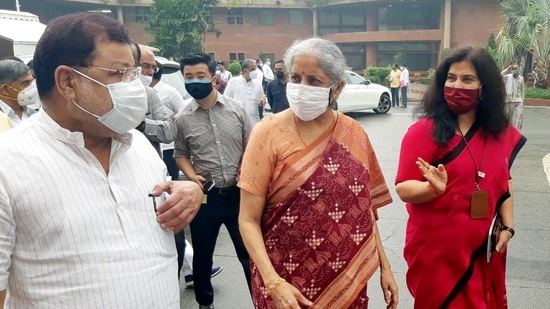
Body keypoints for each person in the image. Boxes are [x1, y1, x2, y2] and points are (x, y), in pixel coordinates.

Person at [0, 13, 204, 308]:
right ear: (67, 81)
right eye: (119, 73)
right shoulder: (8, 163)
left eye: (134, 73)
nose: (134, 86)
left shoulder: (140, 147)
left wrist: (190, 193)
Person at [238, 37, 399, 309]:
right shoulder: (267, 133)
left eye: (314, 80)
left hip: (347, 281)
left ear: (337, 89)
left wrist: (385, 266)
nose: (302, 87)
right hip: (285, 285)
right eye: (296, 77)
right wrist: (273, 282)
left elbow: (366, 212)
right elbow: (247, 220)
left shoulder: (353, 133)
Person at [395, 45, 527, 308]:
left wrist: (508, 227)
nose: (457, 86)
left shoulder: (499, 134)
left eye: (468, 79)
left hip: (482, 249)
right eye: (451, 78)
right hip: (437, 255)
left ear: (484, 87)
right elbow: (403, 188)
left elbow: (504, 181)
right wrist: (431, 189)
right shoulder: (423, 132)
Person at [175, 52, 252, 309]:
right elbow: (180, 154)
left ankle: (261, 301)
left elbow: (252, 148)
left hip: (240, 197)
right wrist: (190, 175)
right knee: (203, 257)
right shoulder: (183, 117)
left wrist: (248, 170)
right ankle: (204, 304)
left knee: (249, 255)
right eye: (188, 77)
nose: (194, 81)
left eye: (200, 76)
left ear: (214, 78)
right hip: (205, 198)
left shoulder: (237, 109)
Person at [131, 43, 178, 156]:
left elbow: (170, 132)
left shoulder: (149, 94)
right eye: (146, 66)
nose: (151, 72)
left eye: (153, 67)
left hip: (149, 165)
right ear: (131, 65)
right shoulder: (110, 93)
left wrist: (142, 125)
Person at [225, 59, 265, 125]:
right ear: (245, 71)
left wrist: (262, 100)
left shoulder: (258, 83)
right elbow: (226, 100)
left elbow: (262, 98)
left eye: (256, 69)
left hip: (254, 120)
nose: (256, 72)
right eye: (253, 69)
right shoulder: (234, 82)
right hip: (238, 120)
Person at [0, 59, 38, 124]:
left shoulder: (36, 115)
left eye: (31, 82)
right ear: (5, 90)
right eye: (25, 83)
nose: (31, 88)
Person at [501, 64, 524, 129]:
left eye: (515, 69)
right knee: (509, 116)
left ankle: (518, 130)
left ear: (518, 70)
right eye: (513, 69)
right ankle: (509, 129)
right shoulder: (508, 77)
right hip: (510, 99)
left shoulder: (521, 78)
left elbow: (522, 89)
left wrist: (522, 99)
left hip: (518, 99)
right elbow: (499, 75)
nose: (514, 71)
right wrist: (507, 70)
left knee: (520, 114)